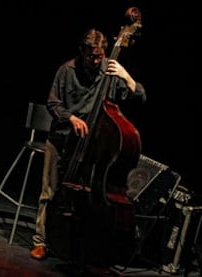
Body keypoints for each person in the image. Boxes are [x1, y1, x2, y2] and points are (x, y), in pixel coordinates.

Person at [30, 28, 146, 260]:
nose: (95, 61)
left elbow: (140, 97)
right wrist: (71, 118)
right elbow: (53, 104)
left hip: (91, 146)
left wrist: (127, 77)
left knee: (89, 194)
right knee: (50, 191)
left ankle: (78, 241)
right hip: (62, 138)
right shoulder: (66, 70)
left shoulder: (110, 71)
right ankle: (41, 240)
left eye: (99, 56)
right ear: (82, 51)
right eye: (91, 56)